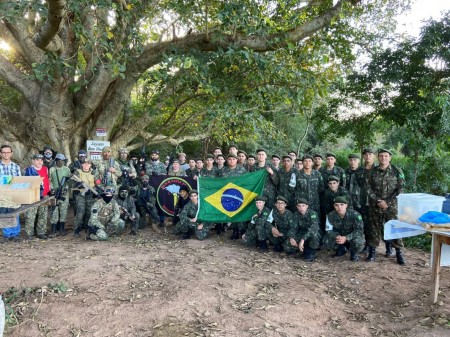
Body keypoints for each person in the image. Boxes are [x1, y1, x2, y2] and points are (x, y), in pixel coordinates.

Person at [366, 149, 406, 265]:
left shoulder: (397, 171)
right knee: (373, 229)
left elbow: (401, 189)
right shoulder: (372, 172)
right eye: (381, 156)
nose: (383, 158)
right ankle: (372, 252)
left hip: (391, 206)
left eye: (386, 156)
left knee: (395, 228)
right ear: (378, 158)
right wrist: (379, 201)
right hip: (375, 205)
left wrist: (387, 202)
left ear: (390, 158)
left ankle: (398, 252)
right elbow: (368, 188)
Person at [323, 196, 365, 262]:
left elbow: (359, 230)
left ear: (346, 205)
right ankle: (341, 248)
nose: (339, 207)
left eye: (342, 205)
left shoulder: (355, 215)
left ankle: (354, 253)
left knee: (358, 242)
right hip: (339, 236)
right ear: (334, 206)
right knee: (326, 240)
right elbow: (328, 230)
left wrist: (346, 237)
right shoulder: (330, 215)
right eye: (337, 205)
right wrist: (336, 236)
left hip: (351, 236)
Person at [24, 154, 50, 240]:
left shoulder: (45, 169)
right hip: (32, 196)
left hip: (44, 195)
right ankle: (29, 233)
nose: (39, 162)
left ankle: (41, 232)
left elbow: (47, 180)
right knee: (30, 215)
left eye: (41, 160)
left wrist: (49, 190)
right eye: (37, 160)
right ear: (33, 161)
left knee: (43, 214)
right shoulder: (28, 170)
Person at [221, 154, 247, 239]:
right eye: (230, 159)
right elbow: (218, 183)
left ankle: (242, 231)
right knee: (232, 213)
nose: (232, 161)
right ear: (227, 160)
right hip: (228, 195)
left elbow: (249, 180)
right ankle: (235, 232)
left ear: (236, 160)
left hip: (239, 194)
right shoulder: (223, 170)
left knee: (240, 213)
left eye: (233, 159)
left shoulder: (242, 170)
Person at [72, 159, 99, 237]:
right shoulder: (77, 172)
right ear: (82, 165)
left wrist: (96, 191)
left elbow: (98, 183)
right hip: (80, 195)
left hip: (90, 195)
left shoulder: (94, 172)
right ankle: (77, 229)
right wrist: (78, 185)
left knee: (89, 212)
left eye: (88, 164)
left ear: (90, 165)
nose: (86, 165)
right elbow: (72, 182)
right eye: (84, 163)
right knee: (80, 212)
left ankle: (87, 227)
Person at [0, 144, 22, 242]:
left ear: (11, 153)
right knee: (3, 213)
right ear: (0, 154)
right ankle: (6, 234)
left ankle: (15, 234)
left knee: (14, 213)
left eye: (8, 152)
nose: (6, 154)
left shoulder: (16, 167)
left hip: (14, 193)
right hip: (1, 195)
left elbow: (19, 181)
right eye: (4, 152)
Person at [49, 153, 71, 236]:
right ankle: (53, 230)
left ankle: (62, 229)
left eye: (62, 161)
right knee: (54, 211)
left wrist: (66, 188)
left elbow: (69, 181)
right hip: (54, 194)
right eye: (58, 160)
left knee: (63, 211)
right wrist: (52, 190)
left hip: (64, 194)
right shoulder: (52, 169)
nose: (60, 162)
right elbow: (49, 181)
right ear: (56, 161)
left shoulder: (67, 169)